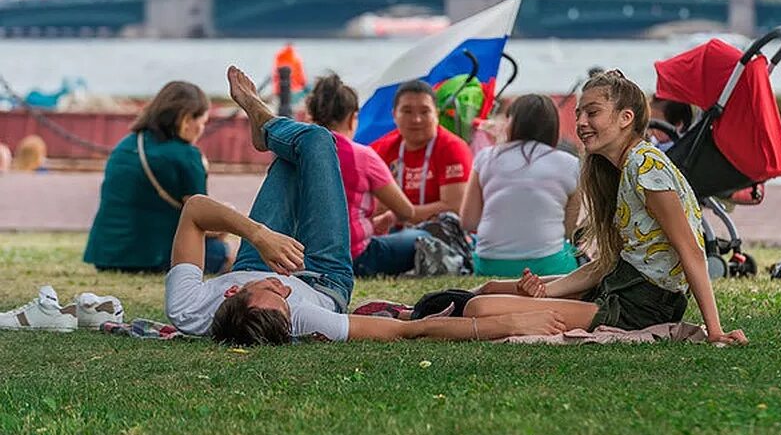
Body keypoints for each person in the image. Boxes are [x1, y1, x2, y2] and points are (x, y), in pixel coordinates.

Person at [165, 66, 568, 345]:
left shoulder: (189, 309)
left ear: (232, 293)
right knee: (319, 141)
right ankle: (264, 121)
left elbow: (195, 209)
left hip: (256, 253)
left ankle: (266, 129)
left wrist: (258, 235)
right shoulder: (304, 317)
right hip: (323, 274)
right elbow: (411, 332)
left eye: (272, 292)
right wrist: (511, 322)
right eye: (286, 300)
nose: (282, 287)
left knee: (294, 157)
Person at [456, 70, 748, 345]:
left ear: (625, 118)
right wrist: (545, 292)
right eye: (579, 113)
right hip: (619, 286)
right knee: (491, 289)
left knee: (481, 308)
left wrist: (715, 331)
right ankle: (417, 310)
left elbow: (691, 251)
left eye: (592, 112)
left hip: (640, 305)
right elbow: (609, 262)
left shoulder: (646, 167)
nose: (581, 122)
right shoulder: (621, 170)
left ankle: (420, 321)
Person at [83, 81, 233, 274]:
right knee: (226, 253)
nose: (202, 129)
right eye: (202, 122)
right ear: (187, 119)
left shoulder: (126, 145)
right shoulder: (187, 155)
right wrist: (227, 221)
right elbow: (201, 219)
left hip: (106, 256)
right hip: (154, 256)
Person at [304, 73, 424, 277]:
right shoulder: (363, 156)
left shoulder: (297, 151)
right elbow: (406, 212)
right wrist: (380, 221)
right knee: (422, 237)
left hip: (301, 257)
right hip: (354, 258)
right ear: (352, 118)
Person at [460, 94, 581, 277]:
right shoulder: (571, 164)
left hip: (490, 264)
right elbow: (569, 231)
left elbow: (468, 221)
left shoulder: (486, 157)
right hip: (548, 266)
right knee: (573, 253)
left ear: (512, 122)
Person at [370, 80, 473, 229]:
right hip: (393, 232)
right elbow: (373, 205)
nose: (416, 119)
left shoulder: (452, 148)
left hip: (440, 235)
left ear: (436, 114)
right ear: (394, 115)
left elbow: (455, 208)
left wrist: (395, 215)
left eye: (425, 112)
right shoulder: (383, 148)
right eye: (407, 111)